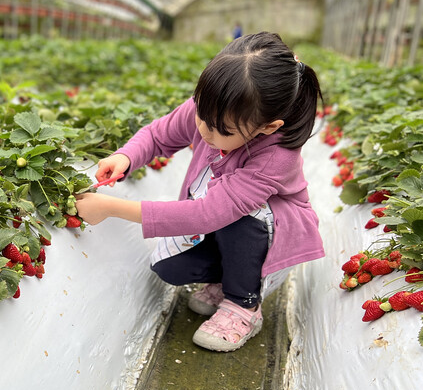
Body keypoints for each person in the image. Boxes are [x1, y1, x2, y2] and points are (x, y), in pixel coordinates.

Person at [75, 32, 325, 352]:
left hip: (266, 237)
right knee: (171, 268)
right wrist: (125, 157)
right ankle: (226, 280)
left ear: (268, 127)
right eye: (203, 118)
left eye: (223, 131)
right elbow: (158, 135)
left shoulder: (276, 157)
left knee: (246, 216)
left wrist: (111, 207)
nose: (205, 131)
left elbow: (206, 214)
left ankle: (243, 304)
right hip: (217, 224)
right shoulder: (212, 109)